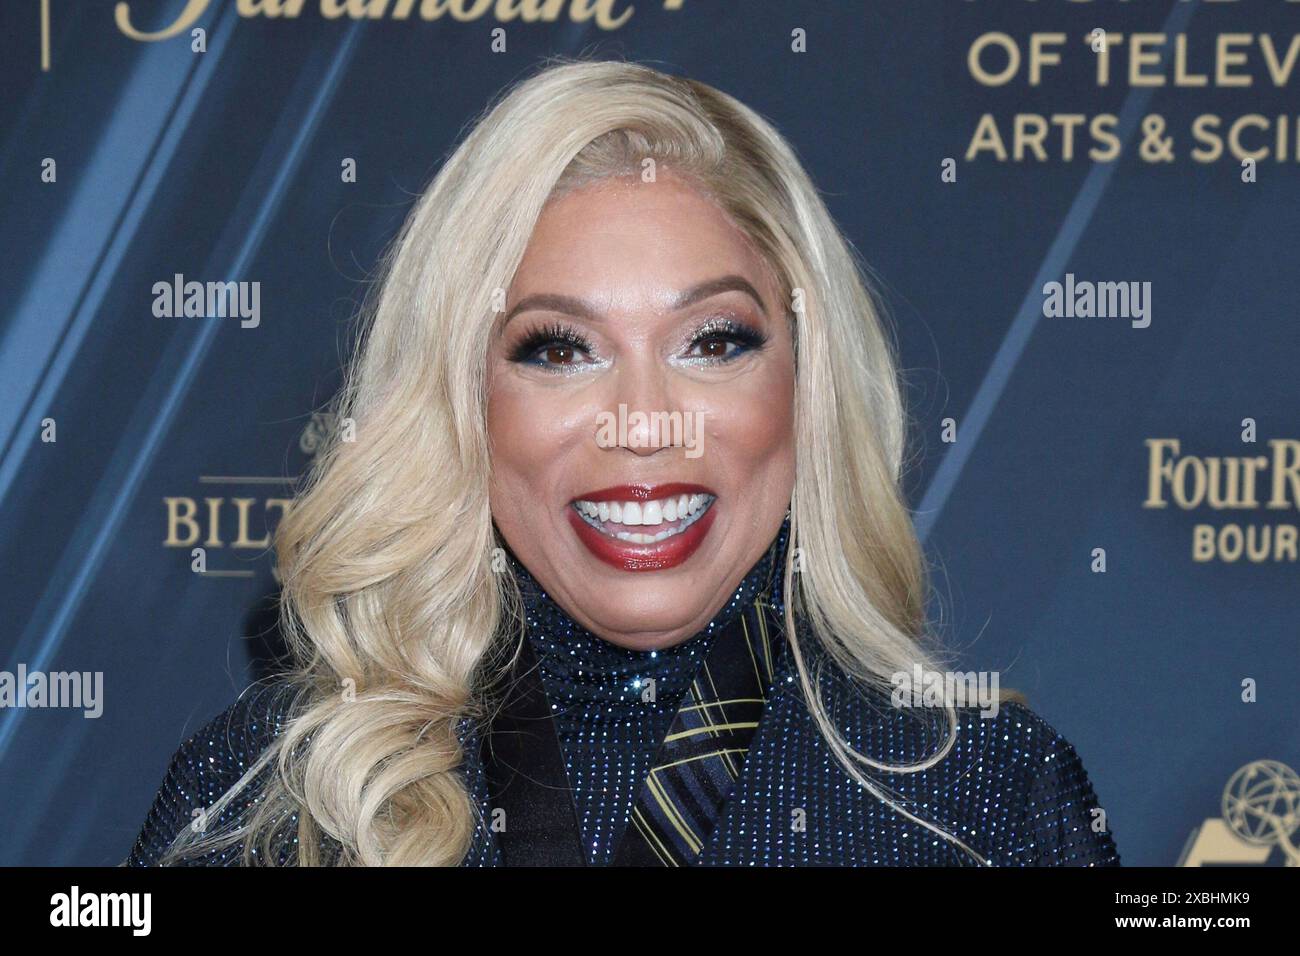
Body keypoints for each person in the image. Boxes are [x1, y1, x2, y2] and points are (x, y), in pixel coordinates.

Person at [127, 57, 1120, 867]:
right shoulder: (268, 797)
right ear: (462, 401)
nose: (645, 424)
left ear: (805, 381)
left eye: (713, 341)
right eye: (559, 350)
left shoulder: (984, 793)